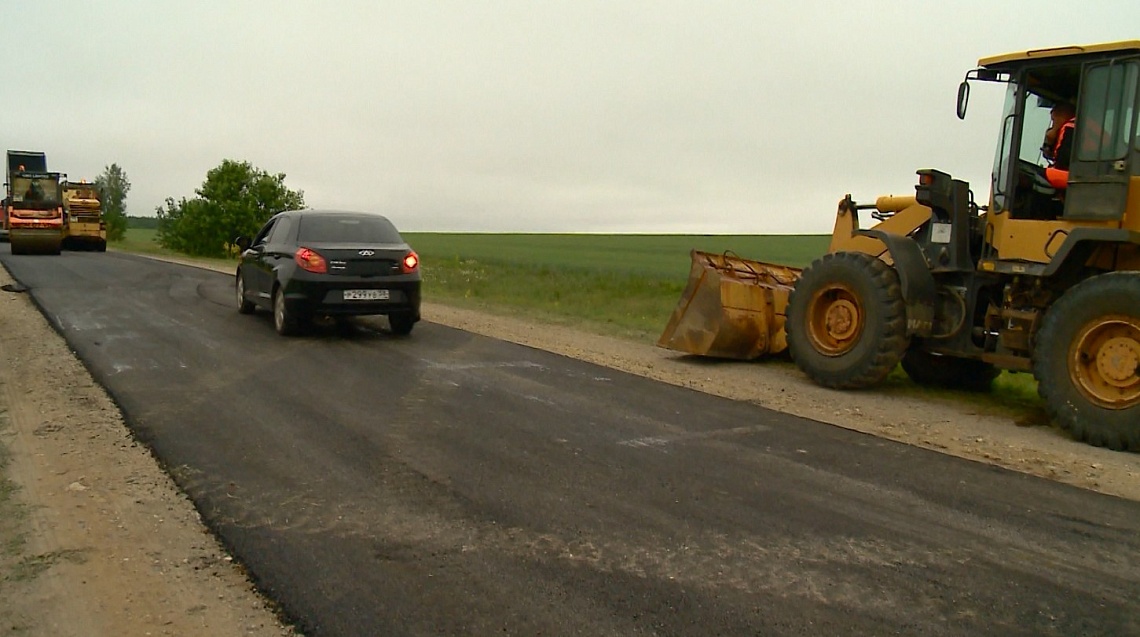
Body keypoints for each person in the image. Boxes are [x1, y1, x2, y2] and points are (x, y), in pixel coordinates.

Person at [1042, 101, 1076, 190]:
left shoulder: (1069, 128)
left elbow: (1063, 162)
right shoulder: (1084, 126)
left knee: (1036, 176)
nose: (1053, 125)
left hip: (1074, 177)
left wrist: (1053, 133)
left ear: (1061, 116)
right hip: (1086, 176)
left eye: (1053, 120)